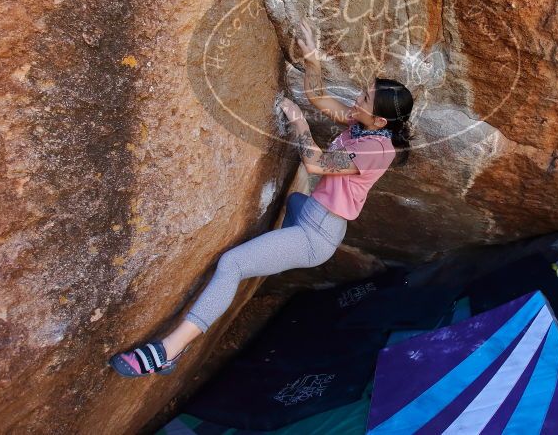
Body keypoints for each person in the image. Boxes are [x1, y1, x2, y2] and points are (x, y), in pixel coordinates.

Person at [110, 19, 414, 377]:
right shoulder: (362, 123)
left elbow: (315, 164)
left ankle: (167, 352)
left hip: (316, 237)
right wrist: (313, 59)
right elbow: (319, 97)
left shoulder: (376, 151)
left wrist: (300, 122)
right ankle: (274, 249)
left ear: (380, 121)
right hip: (308, 213)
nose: (356, 99)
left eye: (363, 97)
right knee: (294, 203)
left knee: (232, 265)